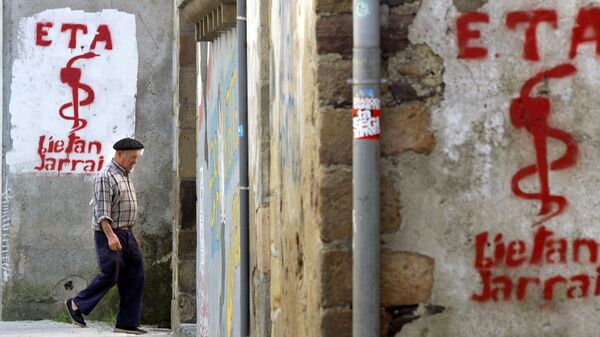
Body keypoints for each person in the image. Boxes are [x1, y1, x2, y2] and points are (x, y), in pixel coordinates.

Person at [65, 137, 147, 335]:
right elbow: (103, 211)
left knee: (135, 275)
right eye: (132, 157)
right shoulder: (106, 176)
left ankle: (126, 323)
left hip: (126, 233)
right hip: (109, 233)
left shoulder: (125, 175)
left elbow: (123, 209)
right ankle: (76, 304)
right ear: (119, 154)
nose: (135, 161)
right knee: (111, 273)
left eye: (137, 157)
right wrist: (111, 236)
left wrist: (131, 234)